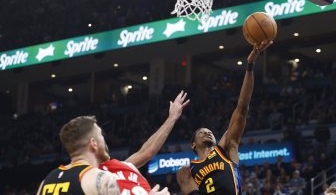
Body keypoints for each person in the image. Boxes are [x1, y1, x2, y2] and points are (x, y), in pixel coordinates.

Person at [176, 41, 273, 195]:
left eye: (209, 132)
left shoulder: (226, 149)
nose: (207, 133)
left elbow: (242, 108)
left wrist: (250, 64)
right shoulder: (189, 171)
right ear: (194, 145)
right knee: (181, 173)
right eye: (202, 132)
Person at [99, 91, 190, 195]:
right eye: (98, 135)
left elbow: (147, 152)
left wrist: (172, 118)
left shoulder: (119, 166)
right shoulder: (88, 178)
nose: (103, 140)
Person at [36, 116, 120, 195]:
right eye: (101, 135)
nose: (104, 140)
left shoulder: (46, 182)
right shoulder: (102, 179)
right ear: (93, 143)